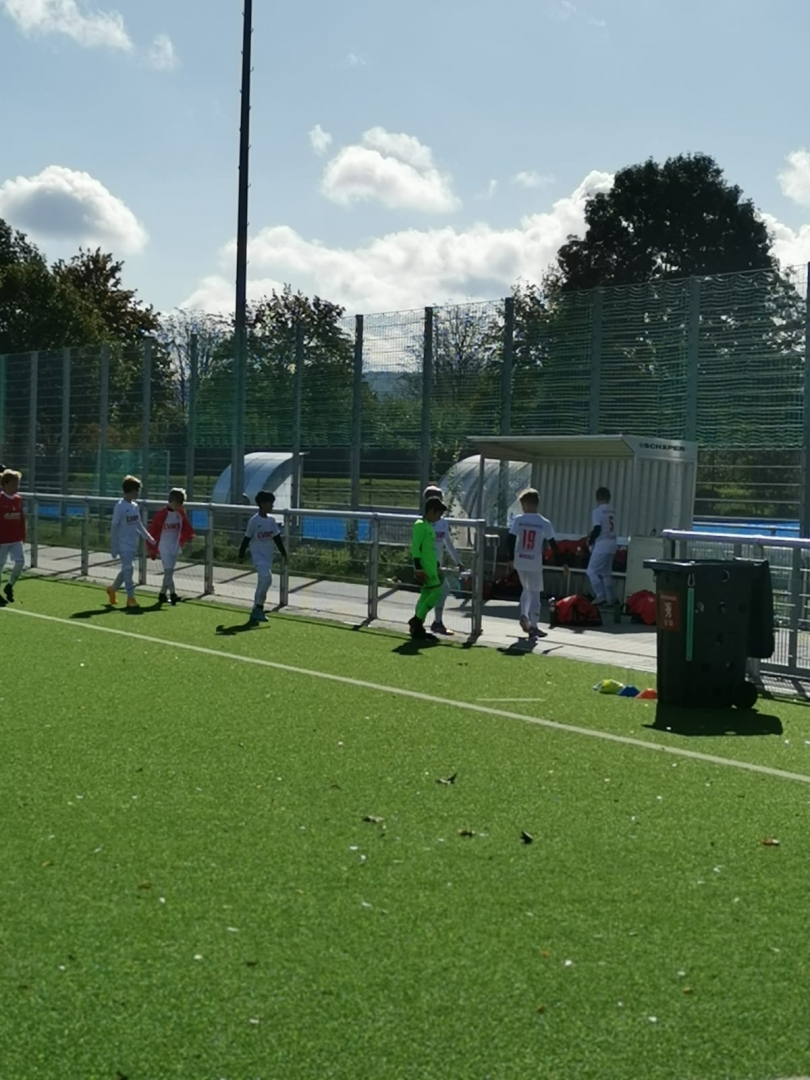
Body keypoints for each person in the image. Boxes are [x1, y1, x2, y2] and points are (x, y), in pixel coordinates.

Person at [508, 488, 558, 640]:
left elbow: (510, 538)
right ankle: (534, 626)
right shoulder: (544, 522)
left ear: (528, 504)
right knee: (535, 592)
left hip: (520, 559)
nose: (522, 508)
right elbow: (553, 544)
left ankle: (524, 614)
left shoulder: (519, 520)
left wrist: (511, 558)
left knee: (526, 588)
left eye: (523, 504)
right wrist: (562, 562)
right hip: (534, 560)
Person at [238, 490, 287, 624]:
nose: (272, 506)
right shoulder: (254, 521)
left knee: (262, 583)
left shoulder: (271, 521)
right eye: (270, 503)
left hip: (268, 557)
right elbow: (247, 538)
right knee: (267, 578)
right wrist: (241, 554)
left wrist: (283, 553)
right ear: (262, 504)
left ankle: (256, 610)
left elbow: (277, 538)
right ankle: (259, 608)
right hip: (258, 556)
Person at [107, 475, 155, 610]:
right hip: (123, 544)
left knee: (128, 569)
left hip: (132, 543)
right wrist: (114, 546)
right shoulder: (120, 506)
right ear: (131, 491)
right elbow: (114, 527)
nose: (138, 493)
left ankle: (112, 589)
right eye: (137, 490)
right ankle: (130, 598)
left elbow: (138, 525)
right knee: (129, 569)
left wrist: (149, 538)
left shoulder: (135, 506)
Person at [423, 484, 464, 636]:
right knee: (438, 591)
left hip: (437, 565)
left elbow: (448, 543)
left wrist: (458, 561)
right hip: (428, 565)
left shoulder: (442, 523)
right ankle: (433, 623)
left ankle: (433, 623)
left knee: (438, 592)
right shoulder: (423, 523)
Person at [147, 488, 195, 605]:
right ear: (171, 501)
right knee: (169, 571)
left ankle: (162, 594)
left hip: (175, 545)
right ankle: (173, 594)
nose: (179, 506)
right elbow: (153, 530)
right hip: (164, 545)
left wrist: (188, 537)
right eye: (178, 503)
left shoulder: (180, 513)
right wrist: (151, 547)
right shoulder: (162, 514)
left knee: (169, 571)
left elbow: (185, 527)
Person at [409, 495, 447, 640]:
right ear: (431, 511)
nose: (439, 517)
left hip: (430, 566)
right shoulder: (420, 525)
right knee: (436, 592)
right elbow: (416, 548)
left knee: (426, 595)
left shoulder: (427, 525)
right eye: (438, 514)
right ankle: (417, 620)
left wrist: (436, 565)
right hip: (426, 568)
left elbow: (428, 549)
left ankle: (417, 627)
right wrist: (418, 568)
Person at [586, 486, 618, 607]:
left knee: (591, 571)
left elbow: (598, 529)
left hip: (602, 543)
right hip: (613, 543)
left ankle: (600, 595)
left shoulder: (597, 511)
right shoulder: (612, 511)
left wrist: (590, 540)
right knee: (606, 572)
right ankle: (610, 598)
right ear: (609, 498)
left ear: (597, 498)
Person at [0, 468, 25, 607]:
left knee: (20, 562)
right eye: (13, 484)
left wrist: (23, 535)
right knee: (0, 565)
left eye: (17, 484)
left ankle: (9, 585)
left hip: (15, 538)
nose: (16, 487)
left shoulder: (18, 499)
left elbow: (21, 519)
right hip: (2, 539)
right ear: (4, 485)